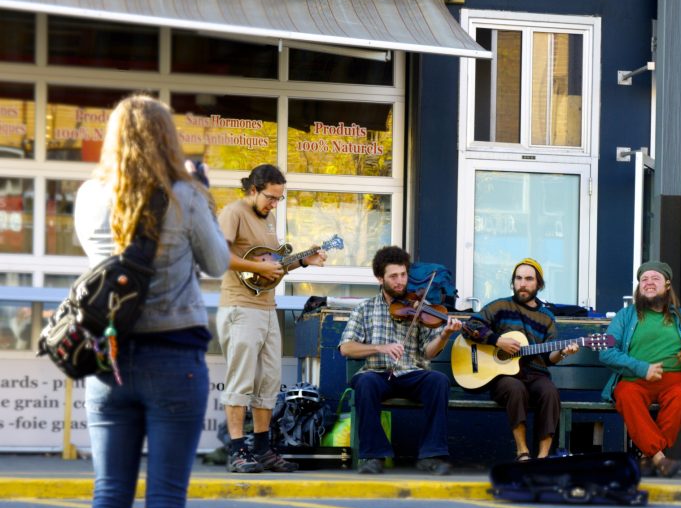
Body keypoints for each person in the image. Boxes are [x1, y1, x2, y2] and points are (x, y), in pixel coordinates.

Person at [74, 94, 230, 508]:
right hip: (175, 361)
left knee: (108, 498)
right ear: (168, 138)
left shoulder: (93, 195)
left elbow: (92, 265)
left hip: (108, 363)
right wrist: (205, 194)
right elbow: (217, 264)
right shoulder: (184, 197)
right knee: (165, 501)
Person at [216, 164, 326, 473]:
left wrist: (304, 261)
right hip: (240, 307)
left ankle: (263, 450)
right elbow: (219, 256)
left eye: (278, 198)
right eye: (270, 197)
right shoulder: (233, 212)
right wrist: (263, 269)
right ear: (253, 189)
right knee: (241, 381)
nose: (274, 204)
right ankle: (237, 451)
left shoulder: (270, 219)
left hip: (266, 308)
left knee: (268, 382)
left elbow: (274, 266)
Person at [338, 245, 463, 475]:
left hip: (411, 374)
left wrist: (445, 334)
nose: (400, 281)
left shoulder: (420, 307)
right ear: (380, 278)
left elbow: (428, 353)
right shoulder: (364, 309)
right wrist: (379, 347)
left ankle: (431, 455)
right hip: (377, 374)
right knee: (364, 384)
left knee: (438, 381)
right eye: (393, 276)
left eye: (403, 275)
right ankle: (373, 456)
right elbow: (346, 348)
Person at [599, 261, 681, 478]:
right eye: (644, 279)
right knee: (625, 394)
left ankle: (647, 454)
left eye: (655, 278)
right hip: (635, 380)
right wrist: (643, 368)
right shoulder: (625, 317)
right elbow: (606, 352)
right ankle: (660, 458)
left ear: (667, 285)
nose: (648, 283)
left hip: (675, 381)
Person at [464, 258, 578, 460]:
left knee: (550, 392)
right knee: (515, 389)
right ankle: (522, 452)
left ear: (539, 284)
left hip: (535, 374)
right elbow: (470, 327)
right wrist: (497, 341)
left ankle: (542, 458)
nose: (522, 283)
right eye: (518, 278)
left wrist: (562, 352)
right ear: (513, 282)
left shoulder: (547, 317)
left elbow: (549, 358)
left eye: (528, 279)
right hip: (503, 377)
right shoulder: (500, 306)